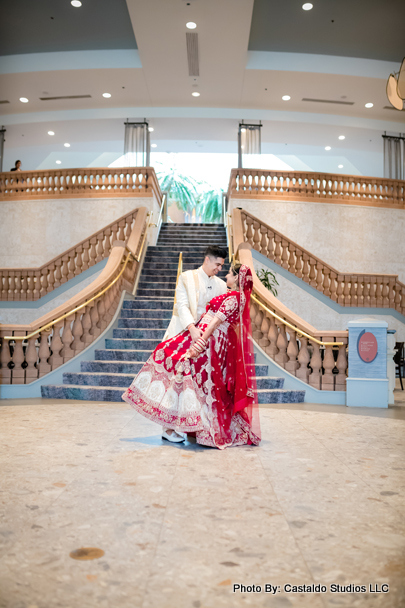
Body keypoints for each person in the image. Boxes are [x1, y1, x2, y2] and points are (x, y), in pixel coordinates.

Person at [122, 263, 261, 450]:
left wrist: (199, 344)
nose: (226, 275)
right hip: (205, 340)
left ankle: (175, 428)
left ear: (237, 278)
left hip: (207, 343)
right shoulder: (236, 297)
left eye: (229, 273)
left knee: (184, 371)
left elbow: (214, 323)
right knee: (186, 373)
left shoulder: (234, 297)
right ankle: (184, 427)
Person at [161, 245, 228, 441]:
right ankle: (168, 430)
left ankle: (194, 428)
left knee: (199, 385)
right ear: (207, 260)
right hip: (184, 334)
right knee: (176, 382)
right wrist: (192, 328)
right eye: (217, 264)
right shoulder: (186, 277)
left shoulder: (222, 285)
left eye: (222, 266)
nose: (219, 269)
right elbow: (181, 305)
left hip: (206, 341)